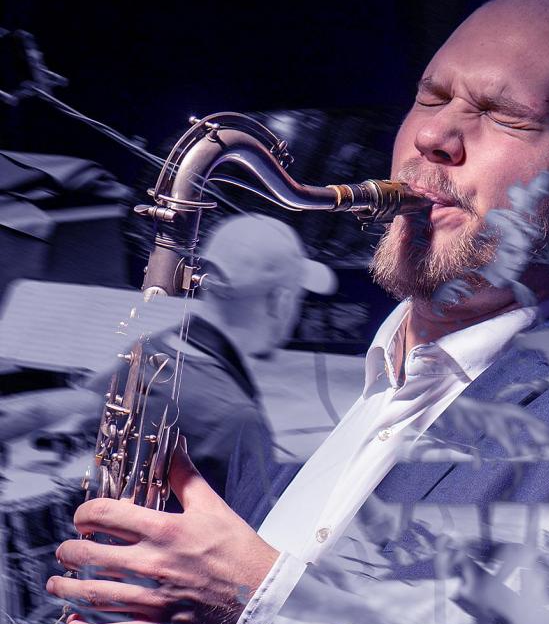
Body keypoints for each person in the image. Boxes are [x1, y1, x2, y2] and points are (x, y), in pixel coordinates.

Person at [46, 0, 549, 624]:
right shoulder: (388, 381)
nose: (433, 137)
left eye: (503, 116)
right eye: (430, 97)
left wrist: (263, 598)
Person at [0, 212, 333, 497]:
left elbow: (66, 405)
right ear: (279, 302)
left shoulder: (150, 349)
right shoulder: (234, 419)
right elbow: (257, 537)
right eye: (298, 298)